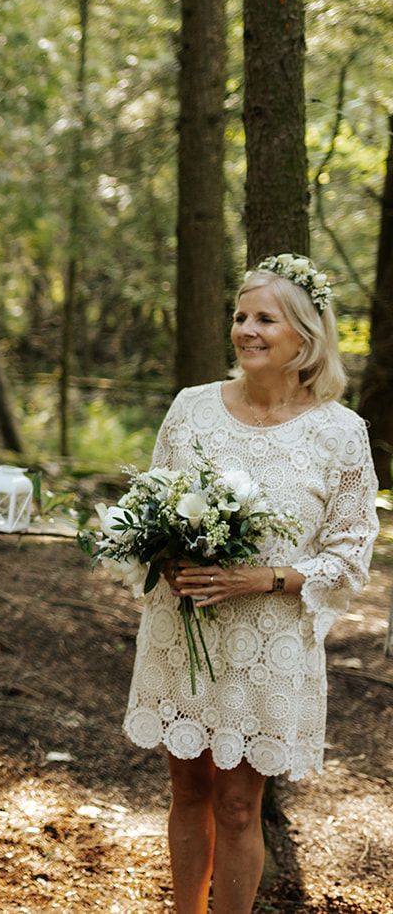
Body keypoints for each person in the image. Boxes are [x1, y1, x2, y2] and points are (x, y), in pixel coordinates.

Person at [123, 255, 377, 914]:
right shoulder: (191, 408)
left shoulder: (341, 433)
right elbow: (151, 504)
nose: (246, 330)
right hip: (185, 630)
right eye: (241, 316)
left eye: (265, 318)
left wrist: (263, 577)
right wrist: (163, 553)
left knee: (238, 805)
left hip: (269, 643)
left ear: (305, 337)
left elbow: (351, 553)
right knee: (187, 792)